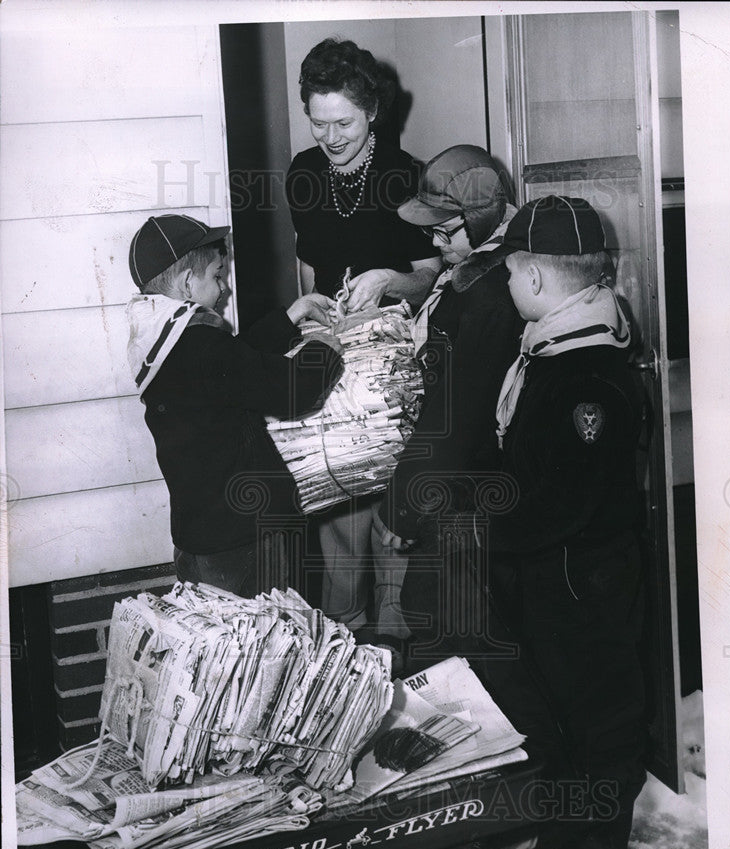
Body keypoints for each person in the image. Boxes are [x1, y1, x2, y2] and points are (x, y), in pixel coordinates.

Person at [485, 195, 648, 849]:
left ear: (538, 281)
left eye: (510, 274)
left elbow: (565, 500)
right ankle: (568, 834)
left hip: (583, 580)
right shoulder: (555, 348)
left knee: (598, 719)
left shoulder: (586, 374)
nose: (505, 287)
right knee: (558, 712)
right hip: (552, 577)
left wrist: (488, 528)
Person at [285, 37, 440, 653]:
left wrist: (385, 281)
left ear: (372, 111)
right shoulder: (302, 172)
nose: (330, 137)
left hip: (396, 360)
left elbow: (432, 274)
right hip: (333, 357)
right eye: (318, 123)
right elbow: (309, 267)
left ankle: (397, 641)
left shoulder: (403, 173)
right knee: (338, 500)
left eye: (343, 122)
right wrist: (313, 316)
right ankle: (344, 645)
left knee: (391, 503)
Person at [126, 213, 343, 599]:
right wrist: (325, 351)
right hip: (248, 536)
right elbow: (289, 392)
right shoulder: (202, 345)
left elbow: (234, 364)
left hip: (202, 535)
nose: (224, 288)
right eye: (217, 275)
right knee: (276, 634)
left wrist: (290, 316)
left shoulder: (163, 340)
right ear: (187, 283)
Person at [374, 145, 525, 672]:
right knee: (436, 612)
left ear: (482, 218)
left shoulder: (490, 293)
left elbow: (456, 410)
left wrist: (406, 499)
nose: (435, 243)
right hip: (454, 483)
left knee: (452, 623)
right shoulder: (475, 272)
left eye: (444, 231)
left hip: (469, 491)